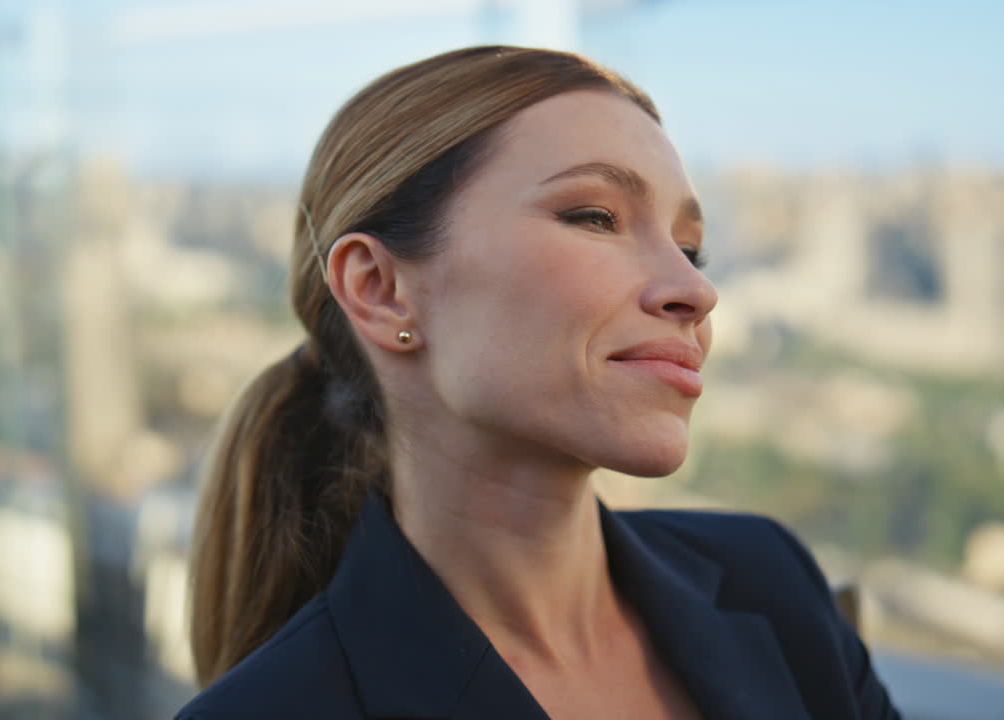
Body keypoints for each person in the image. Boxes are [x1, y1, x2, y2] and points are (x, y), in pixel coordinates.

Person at [176, 45, 901, 719]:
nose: (696, 290)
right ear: (380, 289)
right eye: (596, 217)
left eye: (690, 249)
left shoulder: (770, 581)